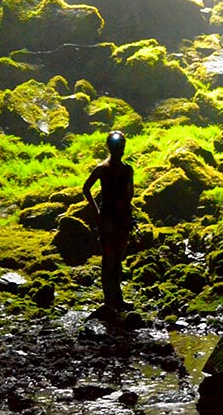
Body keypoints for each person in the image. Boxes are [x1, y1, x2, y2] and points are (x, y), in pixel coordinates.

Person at [81, 130, 135, 310]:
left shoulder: (119, 169)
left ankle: (116, 299)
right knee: (110, 258)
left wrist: (98, 210)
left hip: (117, 217)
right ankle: (110, 300)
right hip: (110, 218)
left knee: (116, 258)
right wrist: (96, 211)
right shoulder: (107, 169)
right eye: (118, 147)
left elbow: (87, 188)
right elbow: (86, 188)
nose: (119, 150)